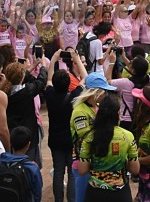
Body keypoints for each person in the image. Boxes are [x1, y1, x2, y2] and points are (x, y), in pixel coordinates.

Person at [78, 93, 140, 202]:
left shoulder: (89, 137)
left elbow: (82, 170)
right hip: (120, 193)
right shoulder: (128, 136)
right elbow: (135, 169)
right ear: (117, 114)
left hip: (95, 193)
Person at [45, 49, 88, 202]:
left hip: (55, 139)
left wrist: (54, 59)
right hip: (71, 140)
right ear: (69, 83)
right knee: (72, 172)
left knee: (58, 172)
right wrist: (76, 59)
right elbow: (86, 78)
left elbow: (49, 78)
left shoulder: (49, 95)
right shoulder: (74, 97)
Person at [72, 73, 120, 202]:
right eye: (104, 91)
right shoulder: (79, 112)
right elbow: (86, 138)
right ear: (95, 92)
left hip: (96, 162)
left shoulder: (96, 107)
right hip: (83, 162)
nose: (106, 95)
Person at [0, 53, 51, 166]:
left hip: (12, 134)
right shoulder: (27, 91)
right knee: (29, 165)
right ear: (22, 77)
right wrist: (42, 66)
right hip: (28, 136)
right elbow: (41, 81)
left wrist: (25, 69)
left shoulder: (3, 92)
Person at [0, 126, 44, 202]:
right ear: (28, 145)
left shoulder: (0, 164)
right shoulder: (32, 168)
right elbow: (37, 194)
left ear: (11, 143)